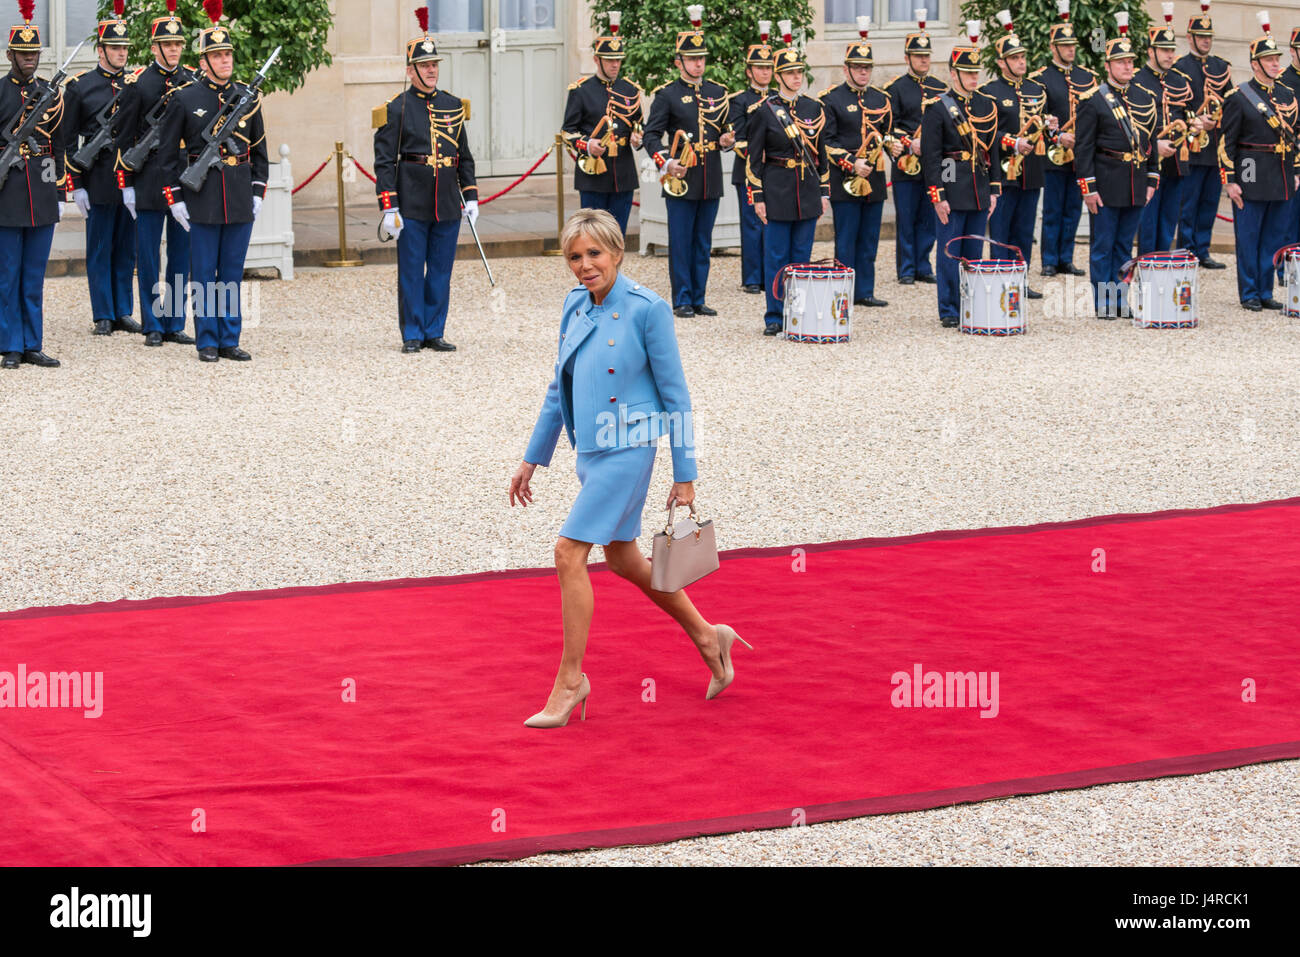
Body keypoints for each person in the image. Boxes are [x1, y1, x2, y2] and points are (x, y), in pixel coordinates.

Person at [509, 209, 750, 728]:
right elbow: (559, 387)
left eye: (594, 254)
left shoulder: (649, 310)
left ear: (617, 253)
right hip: (590, 455)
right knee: (622, 559)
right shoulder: (574, 305)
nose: (584, 265)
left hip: (630, 448)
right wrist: (533, 456)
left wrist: (685, 475)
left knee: (568, 552)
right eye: (575, 256)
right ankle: (710, 636)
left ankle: (571, 681)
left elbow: (677, 397)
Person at [156, 3, 267, 362]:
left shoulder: (247, 99)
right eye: (217, 56)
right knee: (204, 273)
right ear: (202, 61)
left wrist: (257, 190)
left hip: (237, 193)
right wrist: (174, 197)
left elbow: (260, 148)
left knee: (232, 271)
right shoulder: (185, 99)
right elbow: (168, 154)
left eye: (227, 55)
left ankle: (229, 338)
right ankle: (207, 339)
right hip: (201, 195)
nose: (224, 61)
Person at [374, 9, 477, 354]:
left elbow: (464, 155)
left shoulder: (453, 105)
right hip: (412, 200)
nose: (431, 70)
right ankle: (413, 334)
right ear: (410, 70)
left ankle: (435, 330)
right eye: (425, 65)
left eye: (435, 64)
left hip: (446, 200)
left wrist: (471, 196)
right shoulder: (396, 108)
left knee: (441, 272)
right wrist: (389, 207)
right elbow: (385, 161)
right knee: (411, 272)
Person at [642, 9, 735, 318]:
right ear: (678, 62)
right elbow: (651, 136)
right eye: (692, 59)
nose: (699, 64)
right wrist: (666, 162)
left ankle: (698, 297)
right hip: (680, 176)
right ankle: (681, 298)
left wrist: (726, 140)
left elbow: (723, 129)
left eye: (702, 58)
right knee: (681, 241)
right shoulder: (666, 95)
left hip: (709, 176)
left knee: (702, 241)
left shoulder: (717, 92)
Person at [113, 0, 195, 348]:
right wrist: (126, 185)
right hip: (147, 179)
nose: (174, 50)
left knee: (181, 255)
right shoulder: (138, 84)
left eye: (178, 44)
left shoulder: (192, 81)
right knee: (147, 256)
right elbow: (122, 137)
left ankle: (175, 322)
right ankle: (152, 324)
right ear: (155, 47)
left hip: (183, 178)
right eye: (168, 44)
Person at [63, 2, 138, 337]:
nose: (122, 53)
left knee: (126, 246)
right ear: (101, 50)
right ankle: (103, 313)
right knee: (99, 248)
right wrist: (75, 184)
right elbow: (67, 141)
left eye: (124, 48)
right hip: (98, 177)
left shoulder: (137, 85)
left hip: (131, 178)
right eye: (116, 48)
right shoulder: (80, 86)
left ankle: (123, 310)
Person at [1075, 24, 1159, 319]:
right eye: (1121, 61)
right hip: (1106, 181)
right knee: (1103, 245)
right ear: (1108, 65)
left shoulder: (1144, 97)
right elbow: (1083, 149)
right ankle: (1103, 302)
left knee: (1125, 246)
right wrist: (1088, 188)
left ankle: (1121, 300)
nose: (1127, 66)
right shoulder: (1093, 100)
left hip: (1135, 181)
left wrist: (1152, 178)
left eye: (1130, 61)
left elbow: (1150, 142)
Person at [747, 45, 829, 336]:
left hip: (806, 190)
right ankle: (774, 316)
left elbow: (821, 154)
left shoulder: (814, 108)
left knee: (801, 258)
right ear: (779, 77)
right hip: (777, 190)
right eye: (790, 73)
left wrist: (824, 192)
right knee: (777, 257)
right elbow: (753, 160)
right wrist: (757, 197)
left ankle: (799, 313)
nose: (796, 78)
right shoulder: (764, 111)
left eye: (799, 72)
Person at [0, 5, 65, 370]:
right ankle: (10, 344)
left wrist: (59, 191)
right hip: (6, 194)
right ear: (10, 55)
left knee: (33, 277)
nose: (29, 59)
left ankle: (32, 343)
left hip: (40, 193)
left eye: (34, 53)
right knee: (7, 275)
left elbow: (61, 142)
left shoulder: (50, 95)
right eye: (23, 53)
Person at [923, 31, 1001, 329]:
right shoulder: (938, 107)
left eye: (975, 72)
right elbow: (934, 156)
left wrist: (993, 189)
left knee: (974, 253)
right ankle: (950, 308)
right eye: (967, 73)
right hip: (953, 184)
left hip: (980, 189)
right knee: (950, 252)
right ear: (954, 73)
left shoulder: (986, 106)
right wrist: (941, 195)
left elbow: (991, 149)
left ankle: (973, 303)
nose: (973, 78)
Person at [1219, 28, 1299, 311]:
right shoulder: (1240, 96)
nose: (1276, 64)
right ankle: (1250, 292)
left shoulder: (1287, 94)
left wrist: (1297, 171)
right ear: (1255, 63)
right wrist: (1230, 181)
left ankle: (1266, 291)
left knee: (1274, 237)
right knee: (1249, 236)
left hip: (1281, 172)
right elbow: (1226, 142)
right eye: (1269, 60)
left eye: (1277, 58)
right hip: (1250, 168)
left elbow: (1296, 134)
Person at [820, 17, 892, 309]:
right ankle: (843, 290)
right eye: (858, 67)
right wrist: (851, 163)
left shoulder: (882, 98)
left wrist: (894, 144)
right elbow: (827, 142)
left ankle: (865, 290)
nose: (864, 72)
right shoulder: (831, 99)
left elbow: (888, 132)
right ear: (846, 69)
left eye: (867, 67)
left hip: (873, 178)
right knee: (847, 238)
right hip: (845, 179)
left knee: (870, 239)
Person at [981, 11, 1049, 299]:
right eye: (1014, 58)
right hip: (1003, 171)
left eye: (1022, 57)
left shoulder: (1037, 89)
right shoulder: (990, 92)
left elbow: (1040, 124)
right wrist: (1012, 142)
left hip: (1030, 170)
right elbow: (986, 135)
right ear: (1001, 62)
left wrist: (1050, 126)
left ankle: (1020, 279)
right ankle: (999, 280)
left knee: (1024, 230)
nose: (1021, 62)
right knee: (1001, 230)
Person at [560, 10, 642, 235]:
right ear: (597, 60)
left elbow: (638, 124)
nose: (615, 65)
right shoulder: (582, 91)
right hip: (593, 175)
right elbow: (568, 132)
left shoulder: (630, 90)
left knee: (617, 238)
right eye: (610, 60)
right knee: (593, 237)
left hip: (623, 174)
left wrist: (638, 138)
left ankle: (615, 272)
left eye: (618, 60)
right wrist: (587, 145)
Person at [1029, 1, 1094, 278]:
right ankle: (1049, 259)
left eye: (1073, 45)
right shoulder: (1040, 78)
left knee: (1073, 209)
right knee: (1054, 209)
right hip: (1055, 153)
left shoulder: (1087, 77)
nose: (1070, 49)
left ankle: (1066, 257)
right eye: (1065, 45)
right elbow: (1036, 116)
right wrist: (1057, 135)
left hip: (1079, 153)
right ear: (1053, 47)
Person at [885, 14, 944, 285]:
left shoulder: (941, 89)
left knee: (930, 216)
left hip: (934, 163)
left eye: (927, 56)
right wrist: (910, 143)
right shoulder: (895, 89)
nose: (924, 60)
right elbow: (889, 126)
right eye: (919, 56)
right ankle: (907, 268)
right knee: (907, 217)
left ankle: (924, 264)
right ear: (907, 58)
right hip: (906, 162)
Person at [1173, 1, 1233, 270]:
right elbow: (1174, 106)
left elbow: (1230, 103)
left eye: (1209, 37)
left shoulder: (1221, 67)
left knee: (1209, 201)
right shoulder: (1179, 67)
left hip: (1215, 146)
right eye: (1201, 37)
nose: (1206, 42)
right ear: (1190, 38)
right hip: (1191, 144)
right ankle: (1185, 249)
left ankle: (1203, 249)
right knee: (1188, 203)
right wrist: (1194, 121)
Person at [1134, 12, 1196, 256]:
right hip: (1150, 159)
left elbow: (1186, 113)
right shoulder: (1137, 80)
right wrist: (1153, 145)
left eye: (1172, 50)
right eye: (1164, 50)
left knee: (1170, 218)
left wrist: (1195, 124)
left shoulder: (1180, 80)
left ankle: (1163, 264)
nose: (1170, 55)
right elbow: (1132, 125)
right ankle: (1147, 263)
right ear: (1152, 52)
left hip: (1176, 160)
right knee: (1147, 220)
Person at [726, 23, 774, 294]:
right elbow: (738, 139)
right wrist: (762, 156)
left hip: (777, 173)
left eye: (768, 67)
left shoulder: (780, 98)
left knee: (773, 223)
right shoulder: (739, 101)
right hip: (748, 171)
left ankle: (771, 275)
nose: (765, 72)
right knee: (752, 224)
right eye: (759, 67)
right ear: (749, 71)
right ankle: (753, 278)